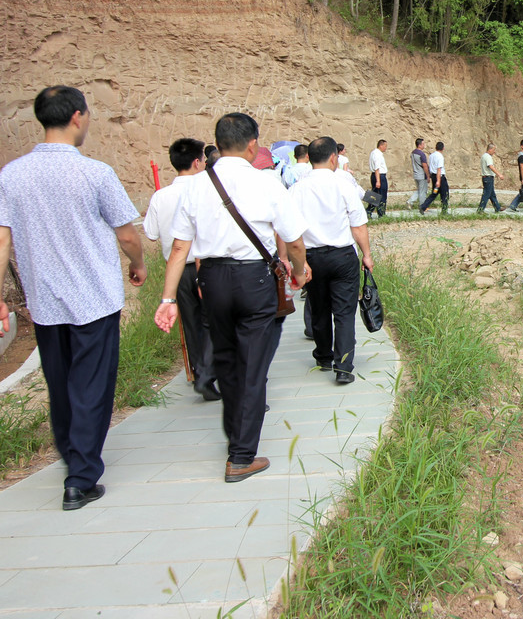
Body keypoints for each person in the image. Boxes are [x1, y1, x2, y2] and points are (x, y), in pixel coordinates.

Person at [0, 86, 147, 511]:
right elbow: (127, 233)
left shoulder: (13, 174)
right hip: (94, 298)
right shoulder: (95, 173)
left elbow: (0, 239)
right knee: (90, 386)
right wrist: (139, 263)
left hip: (46, 303)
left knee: (60, 384)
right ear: (78, 116)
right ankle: (80, 477)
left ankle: (72, 457)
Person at [155, 112, 311, 484]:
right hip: (253, 280)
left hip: (211, 280)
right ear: (253, 144)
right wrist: (300, 272)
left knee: (227, 363)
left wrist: (167, 299)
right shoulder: (267, 183)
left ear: (218, 143)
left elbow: (179, 247)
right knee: (252, 365)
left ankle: (235, 437)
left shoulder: (194, 185)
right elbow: (295, 241)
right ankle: (241, 456)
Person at [289, 136, 375, 383]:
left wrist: (297, 262)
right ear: (333, 158)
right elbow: (358, 225)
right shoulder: (344, 186)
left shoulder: (297, 189)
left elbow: (289, 231)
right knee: (344, 312)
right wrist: (367, 255)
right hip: (342, 256)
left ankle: (324, 356)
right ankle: (344, 366)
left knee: (319, 308)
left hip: (311, 257)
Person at [143, 137, 218, 401]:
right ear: (199, 161)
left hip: (176, 270)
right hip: (206, 265)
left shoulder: (160, 196)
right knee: (213, 320)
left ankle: (200, 372)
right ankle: (211, 372)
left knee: (191, 323)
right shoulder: (206, 190)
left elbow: (151, 234)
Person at [420, 141, 449, 214]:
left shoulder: (432, 155)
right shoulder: (440, 156)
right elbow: (439, 169)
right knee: (445, 193)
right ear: (443, 148)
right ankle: (444, 211)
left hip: (433, 176)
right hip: (440, 178)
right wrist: (438, 181)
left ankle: (423, 206)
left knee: (434, 193)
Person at [478, 142, 505, 213]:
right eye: (493, 150)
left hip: (487, 178)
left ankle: (497, 207)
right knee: (486, 194)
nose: (494, 151)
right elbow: (491, 166)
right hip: (488, 178)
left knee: (492, 194)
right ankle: (480, 210)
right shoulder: (488, 157)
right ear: (490, 149)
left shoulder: (484, 156)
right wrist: (499, 174)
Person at [408, 137, 429, 209]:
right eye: (423, 144)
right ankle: (423, 206)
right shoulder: (421, 154)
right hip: (422, 175)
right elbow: (425, 165)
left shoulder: (413, 153)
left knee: (419, 190)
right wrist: (428, 175)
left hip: (416, 174)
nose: (424, 145)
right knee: (423, 191)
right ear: (419, 145)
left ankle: (410, 201)